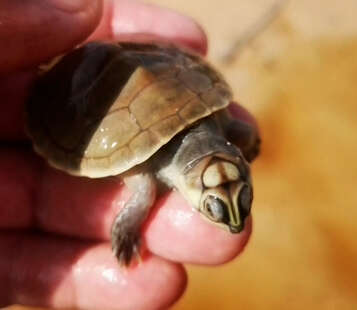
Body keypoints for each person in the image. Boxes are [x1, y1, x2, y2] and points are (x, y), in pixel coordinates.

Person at [0, 0, 255, 309]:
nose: (233, 224)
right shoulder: (154, 176)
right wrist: (126, 230)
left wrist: (249, 141)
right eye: (211, 209)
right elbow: (139, 200)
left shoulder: (223, 124)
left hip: (147, 63)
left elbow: (242, 133)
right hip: (85, 80)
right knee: (144, 191)